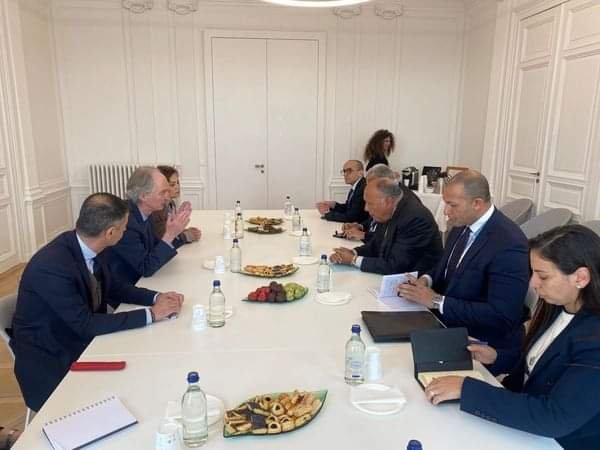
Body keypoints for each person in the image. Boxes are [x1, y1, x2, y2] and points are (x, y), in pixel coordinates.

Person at [424, 225, 600, 450]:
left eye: (543, 276)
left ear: (581, 278)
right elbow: (543, 363)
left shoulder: (594, 339)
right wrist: (497, 357)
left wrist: (467, 389)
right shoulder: (558, 306)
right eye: (532, 273)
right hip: (525, 426)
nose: (533, 284)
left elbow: (555, 416)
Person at [10, 193, 184, 411]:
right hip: (53, 360)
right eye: (124, 228)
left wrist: (156, 297)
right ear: (110, 233)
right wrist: (152, 314)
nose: (125, 231)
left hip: (82, 340)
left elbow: (114, 286)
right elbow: (85, 325)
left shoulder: (87, 244)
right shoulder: (52, 266)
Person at [397, 170, 529, 374]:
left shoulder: (509, 244)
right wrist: (426, 280)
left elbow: (502, 314)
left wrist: (437, 301)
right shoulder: (462, 224)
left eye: (452, 205)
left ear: (477, 203)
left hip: (478, 341)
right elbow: (446, 267)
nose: (446, 212)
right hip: (445, 323)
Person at [330, 178, 442, 275]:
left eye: (370, 203)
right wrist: (353, 252)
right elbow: (376, 245)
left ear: (388, 201)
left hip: (417, 283)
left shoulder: (414, 218)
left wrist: (353, 260)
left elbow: (396, 266)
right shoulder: (388, 211)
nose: (366, 208)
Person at [106, 166, 191, 285]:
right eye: (162, 192)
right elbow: (146, 268)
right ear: (143, 196)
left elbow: (154, 248)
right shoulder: (126, 223)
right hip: (126, 286)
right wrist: (170, 234)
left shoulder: (146, 211)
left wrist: (176, 231)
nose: (167, 197)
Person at [341, 164, 399, 243]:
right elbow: (373, 221)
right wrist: (360, 226)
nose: (366, 208)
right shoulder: (385, 195)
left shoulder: (397, 203)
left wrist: (364, 235)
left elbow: (387, 240)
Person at [152, 165, 201, 243]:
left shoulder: (171, 203)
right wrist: (186, 236)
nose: (177, 187)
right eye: (172, 184)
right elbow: (163, 237)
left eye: (178, 182)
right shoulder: (158, 209)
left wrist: (182, 230)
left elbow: (171, 230)